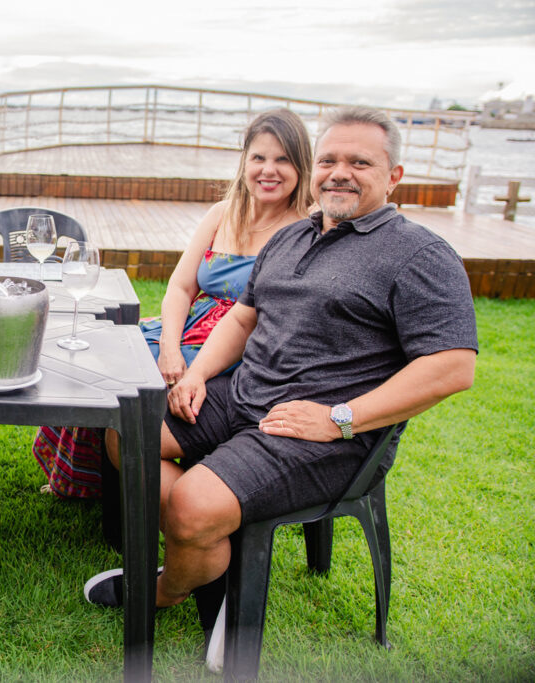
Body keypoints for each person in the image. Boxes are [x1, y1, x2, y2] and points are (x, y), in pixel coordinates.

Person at [83, 106, 478, 662]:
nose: (340, 172)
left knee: (193, 506)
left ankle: (172, 586)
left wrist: (340, 418)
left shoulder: (419, 254)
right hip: (242, 397)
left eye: (360, 162)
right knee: (130, 432)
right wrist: (195, 374)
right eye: (330, 160)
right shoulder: (294, 236)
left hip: (321, 433)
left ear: (394, 176)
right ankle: (214, 560)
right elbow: (242, 319)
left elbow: (453, 366)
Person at [33, 109, 313, 498]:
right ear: (244, 162)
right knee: (102, 353)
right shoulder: (223, 213)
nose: (269, 170)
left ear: (301, 166)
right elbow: (181, 287)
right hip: (187, 328)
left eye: (283, 159)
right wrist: (168, 347)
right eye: (259, 158)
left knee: (123, 378)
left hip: (238, 347)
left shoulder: (304, 230)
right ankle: (83, 477)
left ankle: (106, 481)